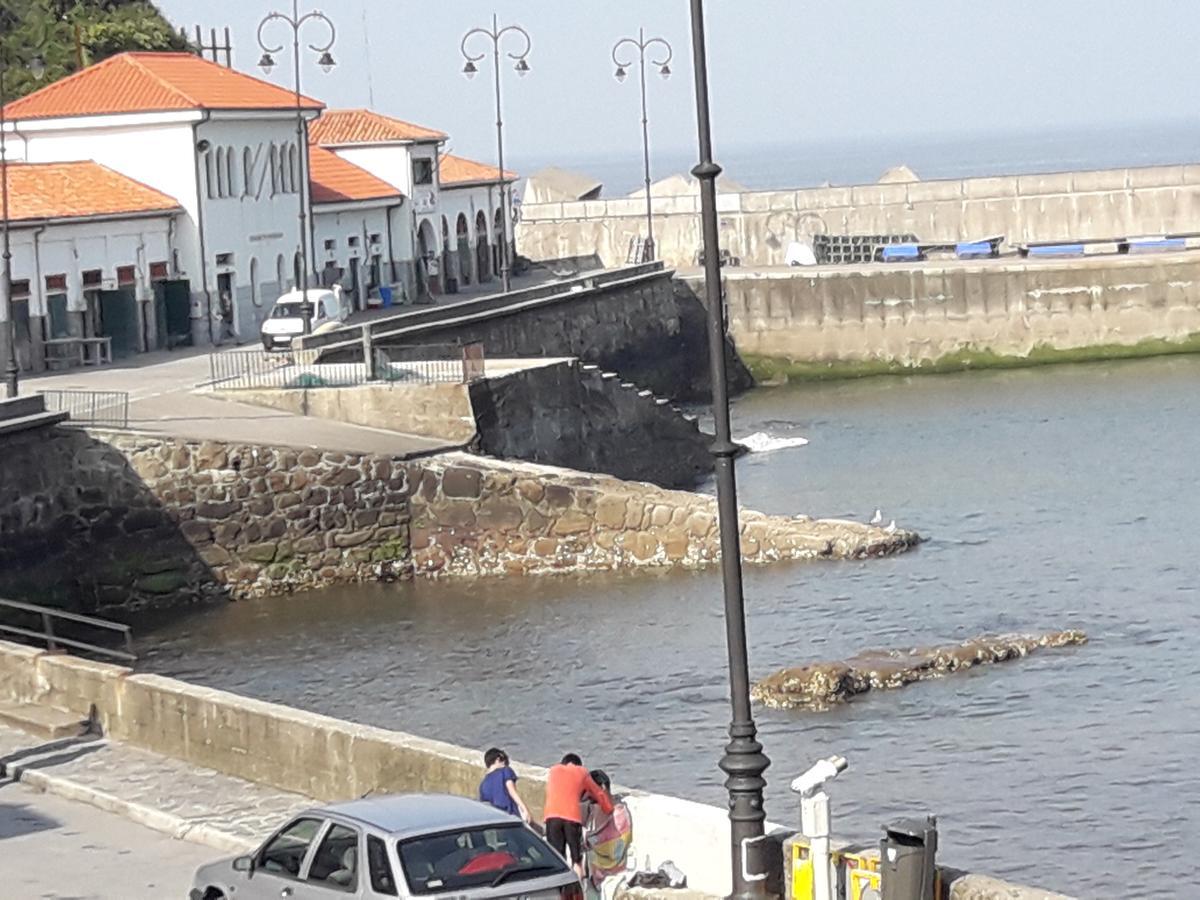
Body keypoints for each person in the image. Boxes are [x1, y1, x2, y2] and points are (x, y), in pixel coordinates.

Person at [544, 753, 612, 878]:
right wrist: (609, 809)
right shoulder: (582, 772)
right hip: (571, 817)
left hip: (551, 816)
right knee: (576, 859)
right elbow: (598, 793)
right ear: (578, 765)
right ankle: (579, 888)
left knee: (556, 857)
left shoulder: (553, 771)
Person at [478, 747, 530, 823]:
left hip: (495, 820)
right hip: (510, 815)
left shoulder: (483, 785)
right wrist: (525, 810)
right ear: (498, 759)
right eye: (505, 762)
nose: (506, 765)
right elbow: (512, 792)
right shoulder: (505, 771)